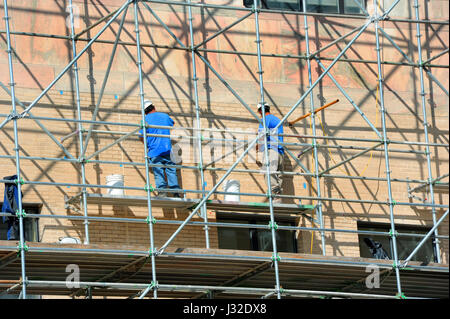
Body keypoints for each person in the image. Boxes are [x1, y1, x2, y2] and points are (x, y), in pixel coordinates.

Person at [139, 100, 181, 198]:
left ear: (144, 111)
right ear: (154, 107)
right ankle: (176, 193)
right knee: (171, 171)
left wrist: (147, 143)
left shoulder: (145, 120)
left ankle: (162, 192)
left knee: (158, 172)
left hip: (154, 151)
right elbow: (173, 123)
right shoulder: (165, 116)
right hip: (167, 149)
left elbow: (141, 136)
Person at [256, 102, 285, 204]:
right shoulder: (276, 119)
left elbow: (261, 135)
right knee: (278, 175)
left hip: (272, 150)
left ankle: (275, 196)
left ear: (260, 111)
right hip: (281, 151)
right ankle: (277, 198)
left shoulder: (265, 120)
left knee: (268, 172)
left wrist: (257, 146)